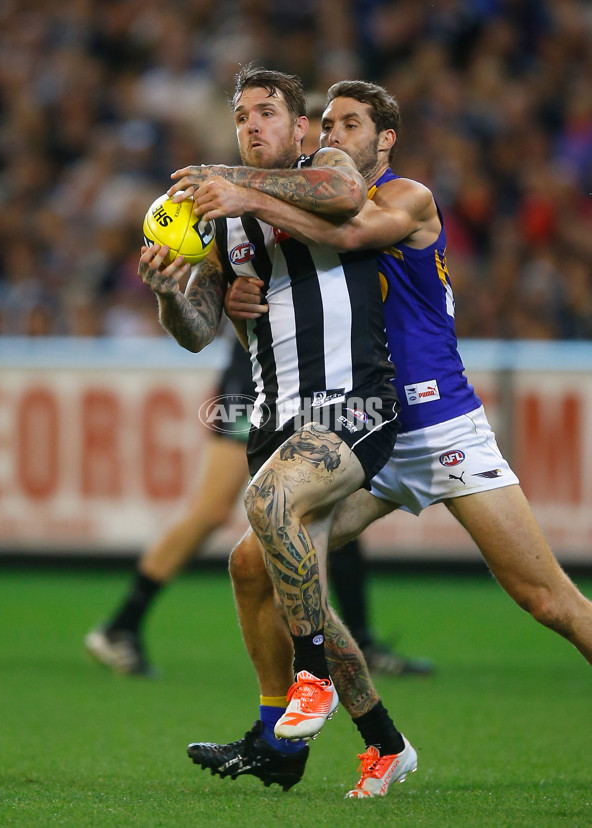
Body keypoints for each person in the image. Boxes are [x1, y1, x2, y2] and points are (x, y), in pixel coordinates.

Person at [184, 78, 592, 798]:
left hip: (440, 425)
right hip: (368, 426)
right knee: (263, 562)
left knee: (546, 600)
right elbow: (296, 291)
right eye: (331, 124)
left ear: (385, 138)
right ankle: (361, 739)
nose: (338, 135)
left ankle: (336, 711)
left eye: (351, 123)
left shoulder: (404, 199)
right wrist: (239, 298)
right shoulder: (309, 201)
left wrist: (244, 192)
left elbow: (345, 229)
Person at [138, 66, 418, 797]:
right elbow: (197, 333)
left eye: (268, 113)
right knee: (254, 569)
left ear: (300, 127)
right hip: (276, 418)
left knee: (266, 504)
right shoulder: (221, 220)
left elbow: (348, 195)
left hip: (354, 405)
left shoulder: (323, 167)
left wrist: (233, 183)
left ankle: (311, 680)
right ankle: (335, 742)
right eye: (241, 116)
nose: (254, 125)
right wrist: (173, 295)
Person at [85, 329, 433, 678]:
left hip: (311, 371)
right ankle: (122, 624)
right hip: (257, 376)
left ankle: (363, 640)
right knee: (213, 509)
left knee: (328, 496)